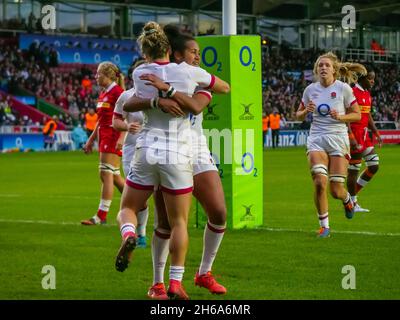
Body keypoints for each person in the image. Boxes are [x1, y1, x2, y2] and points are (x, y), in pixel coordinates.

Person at [115, 21, 228, 300]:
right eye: (192, 51)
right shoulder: (183, 74)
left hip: (194, 148)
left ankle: (203, 272)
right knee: (167, 221)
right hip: (174, 151)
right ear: (176, 53)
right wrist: (158, 98)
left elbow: (199, 103)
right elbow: (128, 103)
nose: (197, 56)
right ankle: (160, 284)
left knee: (219, 212)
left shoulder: (190, 75)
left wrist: (165, 92)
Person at [296, 52, 362, 238]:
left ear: (334, 69)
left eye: (326, 65)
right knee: (319, 181)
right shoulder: (310, 90)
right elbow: (297, 115)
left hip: (338, 140)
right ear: (317, 70)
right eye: (320, 65)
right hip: (317, 138)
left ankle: (347, 199)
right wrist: (304, 112)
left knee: (335, 190)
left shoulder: (343, 89)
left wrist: (340, 117)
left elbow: (357, 114)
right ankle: (324, 226)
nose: (323, 68)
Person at [81, 62, 125, 226]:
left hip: (113, 135)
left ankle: (101, 216)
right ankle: (137, 204)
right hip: (104, 137)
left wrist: (122, 138)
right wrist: (91, 139)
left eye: (98, 74)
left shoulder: (118, 93)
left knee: (105, 174)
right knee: (113, 175)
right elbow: (100, 120)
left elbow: (127, 116)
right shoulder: (104, 94)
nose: (96, 77)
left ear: (107, 75)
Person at [112, 60, 150, 248]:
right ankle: (140, 234)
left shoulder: (156, 96)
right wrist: (127, 126)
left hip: (154, 150)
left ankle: (164, 232)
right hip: (131, 151)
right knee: (137, 196)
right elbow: (115, 122)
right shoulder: (125, 97)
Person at [347, 67, 382, 212]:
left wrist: (375, 131)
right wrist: (351, 137)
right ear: (361, 78)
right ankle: (352, 203)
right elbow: (346, 116)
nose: (373, 81)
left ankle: (350, 197)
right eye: (370, 78)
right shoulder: (351, 92)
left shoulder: (367, 93)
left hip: (364, 135)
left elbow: (367, 116)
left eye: (373, 78)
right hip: (354, 135)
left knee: (374, 166)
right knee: (353, 170)